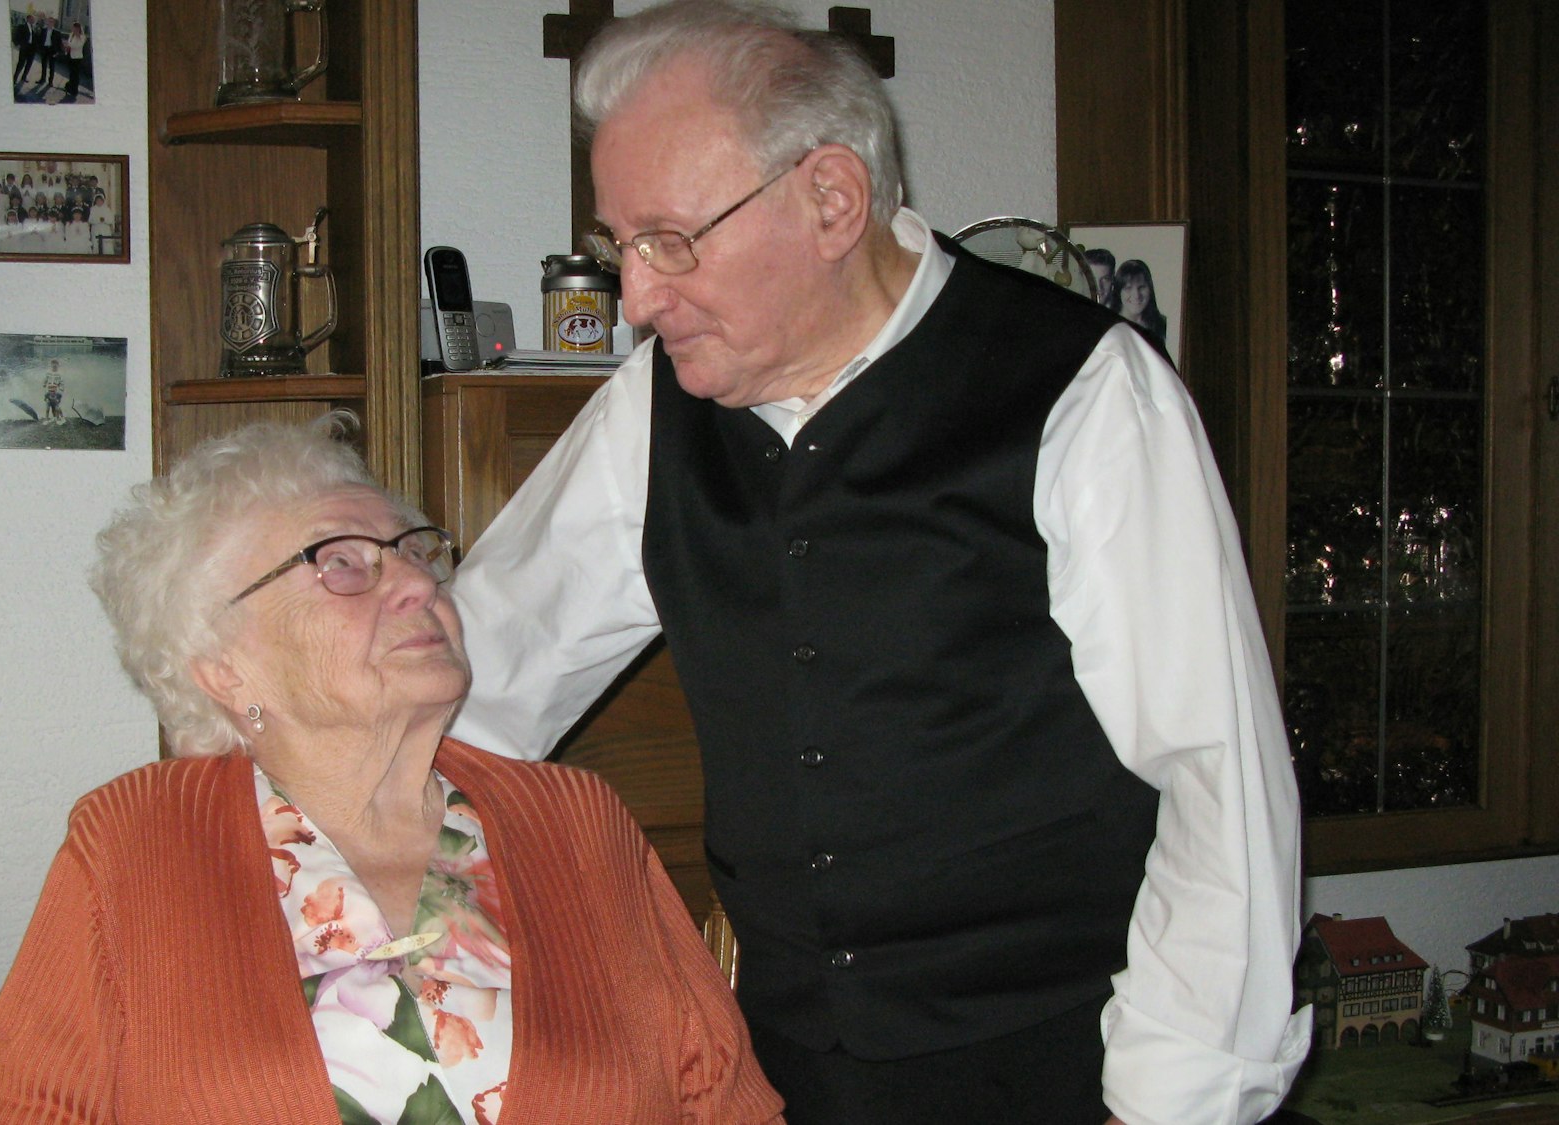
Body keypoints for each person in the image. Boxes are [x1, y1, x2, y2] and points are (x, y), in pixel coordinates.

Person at [445, 3, 1309, 1123]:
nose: (636, 300)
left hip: (1071, 1069)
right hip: (792, 1075)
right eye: (621, 249)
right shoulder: (649, 412)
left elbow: (1218, 781)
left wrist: (1169, 1101)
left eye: (669, 240)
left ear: (830, 200)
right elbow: (477, 681)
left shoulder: (1078, 390)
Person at [0, 415, 782, 1124]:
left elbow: (723, 1100)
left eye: (413, 550)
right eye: (342, 562)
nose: (416, 581)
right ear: (224, 668)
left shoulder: (573, 816)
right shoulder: (133, 843)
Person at [1114, 257, 1170, 346]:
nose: (1136, 295)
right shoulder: (1109, 325)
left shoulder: (1163, 325)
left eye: (1141, 287)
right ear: (1118, 291)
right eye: (1128, 288)